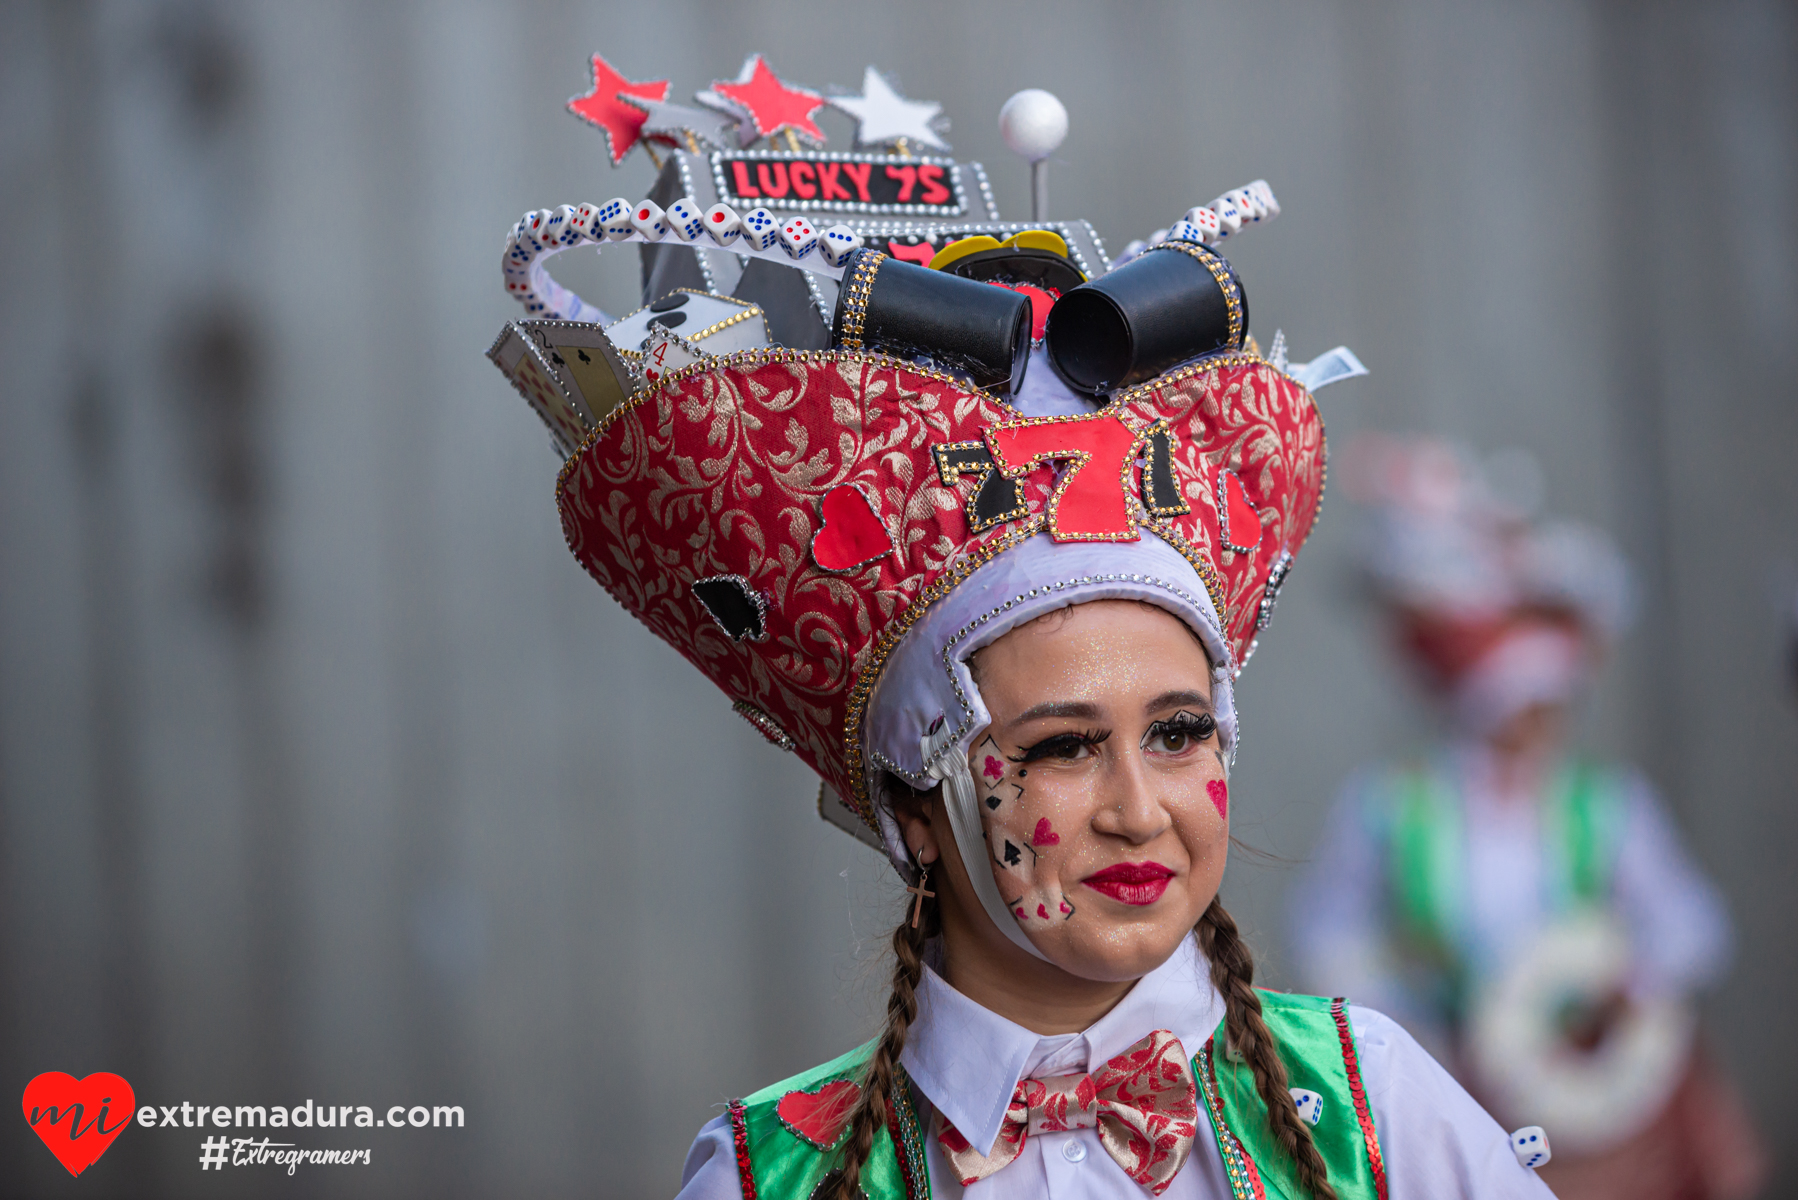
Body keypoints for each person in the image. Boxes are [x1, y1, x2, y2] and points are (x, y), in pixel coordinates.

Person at [492, 57, 1553, 1197]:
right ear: (914, 807)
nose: (1138, 811)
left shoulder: (1376, 1105)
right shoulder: (774, 1177)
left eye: (1178, 732)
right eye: (1061, 746)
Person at [1287, 437, 1766, 1200]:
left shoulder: (1606, 805)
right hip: (1458, 1084)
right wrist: (1405, 1021)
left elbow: (1693, 923)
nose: (1538, 723)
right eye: (1518, 705)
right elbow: (1328, 932)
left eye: (1550, 705)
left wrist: (1627, 981)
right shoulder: (1392, 808)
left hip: (1604, 1100)